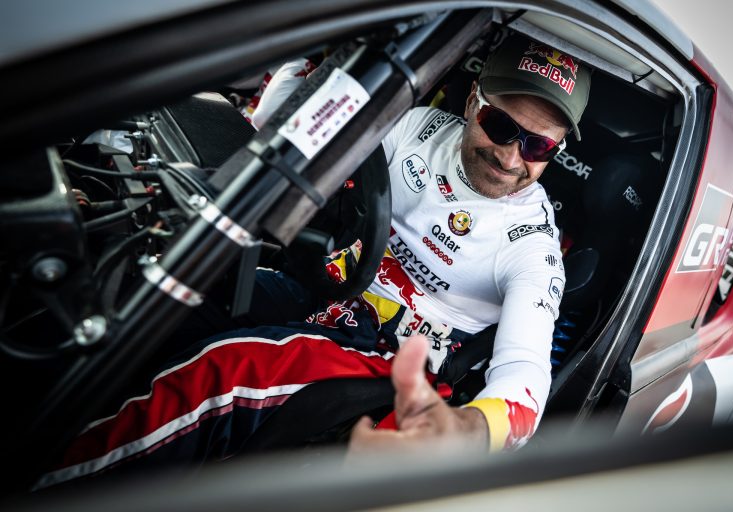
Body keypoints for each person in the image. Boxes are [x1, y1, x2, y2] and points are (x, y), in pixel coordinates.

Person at [35, 34, 591, 489]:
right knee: (165, 294)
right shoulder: (417, 126)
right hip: (323, 290)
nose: (510, 156)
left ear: (557, 150)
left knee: (229, 373)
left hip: (390, 356)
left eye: (538, 147)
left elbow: (525, 378)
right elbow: (290, 140)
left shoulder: (533, 248)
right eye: (500, 126)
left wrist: (467, 432)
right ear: (472, 102)